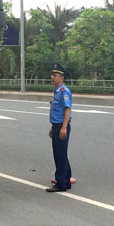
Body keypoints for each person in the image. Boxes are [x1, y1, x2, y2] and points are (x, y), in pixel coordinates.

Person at [46, 63, 74, 193]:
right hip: (57, 126)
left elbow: (67, 109)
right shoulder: (56, 91)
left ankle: (61, 183)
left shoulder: (64, 91)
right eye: (52, 75)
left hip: (62, 127)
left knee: (59, 154)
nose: (53, 77)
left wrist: (63, 127)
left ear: (61, 78)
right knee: (61, 154)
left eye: (55, 75)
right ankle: (66, 180)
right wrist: (53, 127)